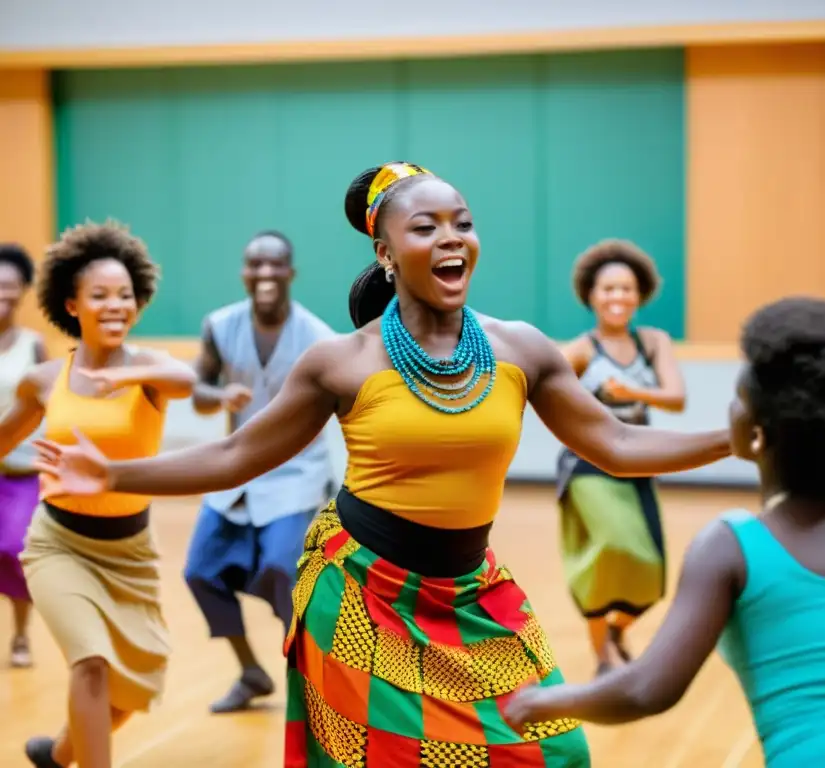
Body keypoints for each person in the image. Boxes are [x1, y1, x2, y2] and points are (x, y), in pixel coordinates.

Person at [31, 161, 732, 768]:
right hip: (362, 589)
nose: (450, 237)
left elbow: (617, 443)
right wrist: (115, 475)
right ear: (386, 251)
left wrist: (735, 438)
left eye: (461, 222)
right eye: (425, 227)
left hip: (471, 590)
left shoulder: (522, 349)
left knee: (553, 750)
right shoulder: (343, 361)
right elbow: (239, 451)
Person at [504, 296, 825, 767]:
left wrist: (539, 701)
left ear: (756, 431)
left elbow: (648, 689)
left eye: (738, 398)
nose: (731, 409)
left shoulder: (732, 546)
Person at [0, 221, 197, 768]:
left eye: (125, 296)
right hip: (59, 543)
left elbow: (186, 382)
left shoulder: (150, 374)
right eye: (100, 296)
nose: (115, 306)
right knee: (89, 663)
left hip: (128, 551)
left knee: (135, 688)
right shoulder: (44, 380)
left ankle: (59, 754)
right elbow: (4, 438)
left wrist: (130, 376)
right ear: (71, 303)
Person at [185, 229, 338, 714]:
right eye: (256, 264)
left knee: (280, 570)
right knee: (200, 571)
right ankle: (251, 671)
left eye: (276, 265)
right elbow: (197, 389)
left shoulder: (318, 338)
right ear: (244, 272)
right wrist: (218, 397)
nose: (266, 273)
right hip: (238, 472)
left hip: (297, 474)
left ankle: (317, 680)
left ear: (290, 272)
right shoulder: (220, 325)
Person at [556, 239, 685, 675]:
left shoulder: (652, 342)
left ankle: (614, 633)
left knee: (651, 575)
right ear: (591, 295)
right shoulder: (579, 350)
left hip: (640, 463)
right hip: (587, 465)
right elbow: (539, 394)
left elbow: (676, 398)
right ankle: (604, 660)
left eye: (626, 289)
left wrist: (634, 392)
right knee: (612, 549)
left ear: (639, 295)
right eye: (608, 289)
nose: (617, 297)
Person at [0, 243, 48, 669]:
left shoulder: (33, 345)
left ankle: (19, 634)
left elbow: (52, 404)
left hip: (21, 471)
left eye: (10, 285)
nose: (2, 292)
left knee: (14, 549)